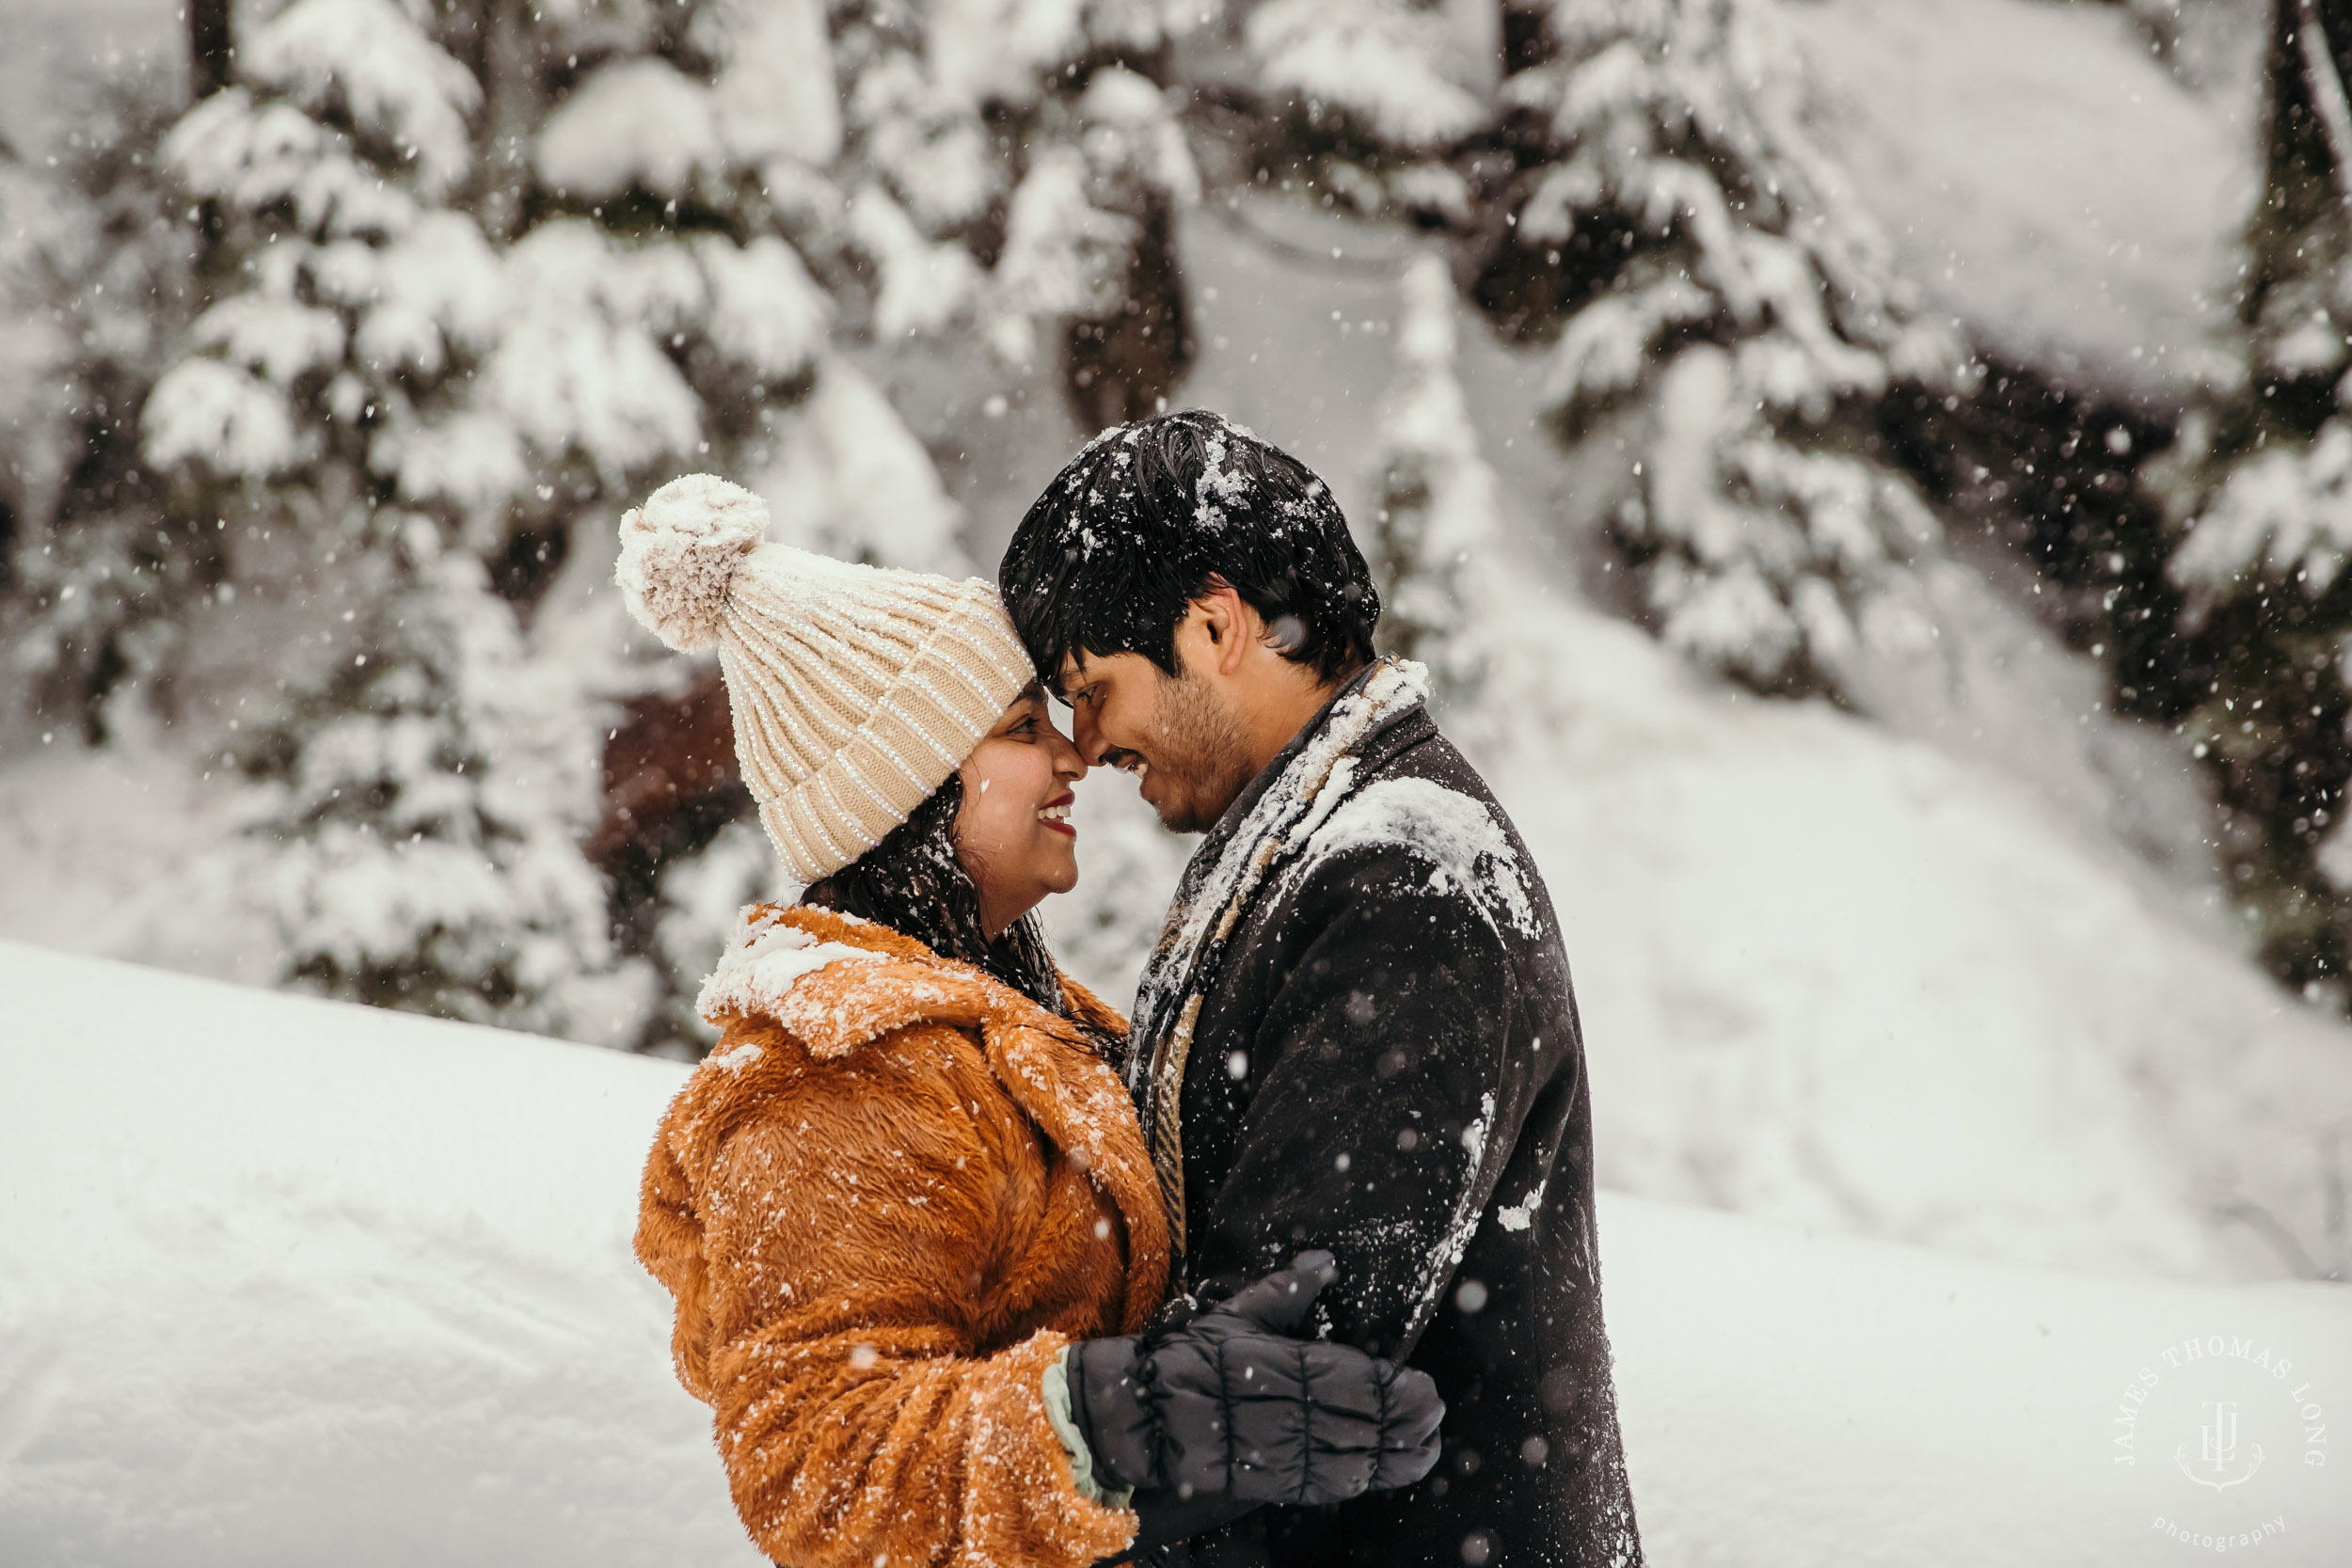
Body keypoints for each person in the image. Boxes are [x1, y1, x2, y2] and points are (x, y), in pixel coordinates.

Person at [612, 473, 1444, 1568]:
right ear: (904, 797)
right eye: (1017, 729)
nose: (1071, 754)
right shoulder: (835, 1081)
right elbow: (818, 1461)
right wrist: (1102, 1419)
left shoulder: (1011, 1023)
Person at [998, 411, 1645, 1568]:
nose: (1085, 744)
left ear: (1212, 623)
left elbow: (1279, 1385)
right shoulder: (1313, 847)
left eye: (1092, 688)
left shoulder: (1403, 881)